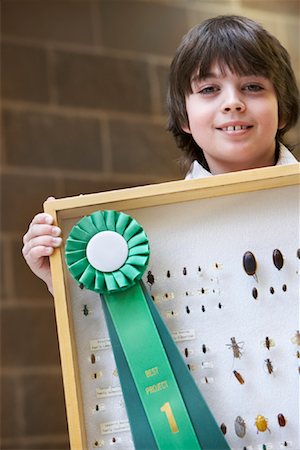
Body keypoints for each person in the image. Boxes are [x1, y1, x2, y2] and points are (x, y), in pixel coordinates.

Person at [22, 15, 299, 294]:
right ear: (184, 118)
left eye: (252, 87)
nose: (232, 103)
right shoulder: (142, 239)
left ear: (284, 109)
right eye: (209, 89)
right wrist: (62, 283)